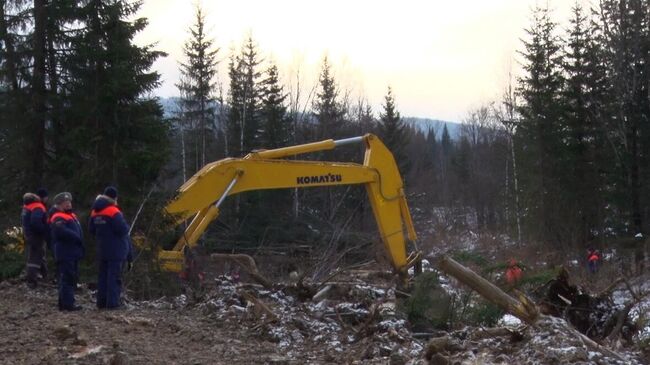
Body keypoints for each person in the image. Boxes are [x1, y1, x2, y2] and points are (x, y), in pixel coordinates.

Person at [89, 186, 133, 309]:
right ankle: (113, 304)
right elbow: (123, 229)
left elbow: (91, 229)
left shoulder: (95, 211)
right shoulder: (113, 211)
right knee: (114, 278)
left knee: (103, 277)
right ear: (114, 198)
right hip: (116, 249)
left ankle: (101, 303)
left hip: (102, 249)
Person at [50, 192, 84, 311]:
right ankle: (67, 304)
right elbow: (60, 232)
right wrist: (75, 237)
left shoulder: (71, 216)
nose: (68, 204)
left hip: (71, 252)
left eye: (69, 202)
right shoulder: (57, 216)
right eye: (66, 203)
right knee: (67, 278)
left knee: (69, 278)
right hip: (65, 252)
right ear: (59, 205)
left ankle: (65, 303)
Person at [21, 188, 49, 288]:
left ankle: (45, 276)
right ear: (43, 197)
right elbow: (36, 222)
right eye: (46, 197)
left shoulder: (27, 205)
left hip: (28, 234)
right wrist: (45, 230)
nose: (47, 199)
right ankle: (31, 280)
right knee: (35, 257)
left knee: (39, 254)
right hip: (36, 235)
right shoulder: (38, 206)